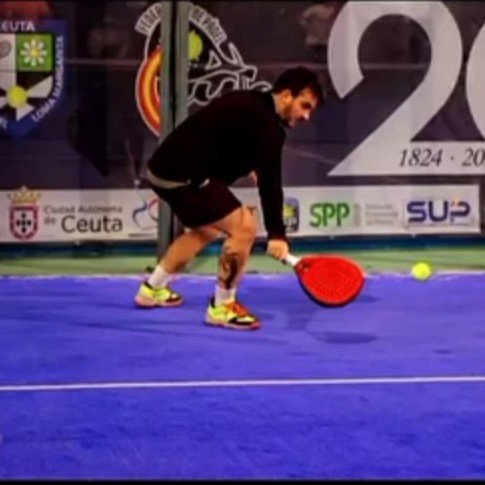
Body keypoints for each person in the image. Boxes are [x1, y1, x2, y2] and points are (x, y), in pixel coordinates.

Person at [135, 67, 324, 330]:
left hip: (161, 169)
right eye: (305, 106)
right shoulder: (268, 128)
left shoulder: (250, 102)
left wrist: (248, 163)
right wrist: (277, 234)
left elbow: (219, 136)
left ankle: (152, 288)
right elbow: (270, 185)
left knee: (208, 229)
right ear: (286, 96)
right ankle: (222, 306)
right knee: (244, 227)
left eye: (311, 111)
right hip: (183, 174)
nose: (306, 116)